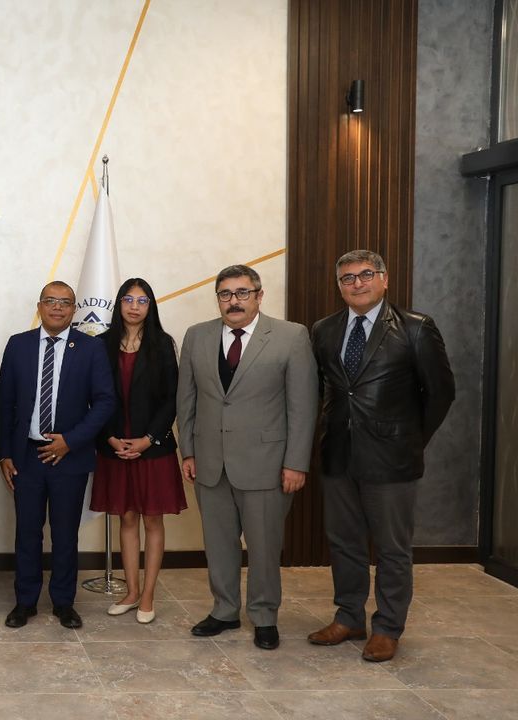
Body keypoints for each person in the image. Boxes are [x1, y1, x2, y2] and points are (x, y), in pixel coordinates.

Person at [307, 250, 454, 662]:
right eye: (347, 278)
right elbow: (321, 389)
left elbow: (441, 394)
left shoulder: (416, 328)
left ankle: (388, 627)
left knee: (392, 549)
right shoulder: (323, 330)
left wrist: (409, 440)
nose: (357, 283)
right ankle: (349, 617)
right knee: (344, 543)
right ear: (339, 286)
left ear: (384, 279)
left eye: (366, 274)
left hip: (392, 460)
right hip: (338, 455)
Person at [177, 264, 317, 650]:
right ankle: (224, 610)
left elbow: (303, 406)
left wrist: (296, 462)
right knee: (219, 544)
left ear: (259, 295)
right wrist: (188, 450)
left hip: (267, 464)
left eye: (242, 292)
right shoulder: (197, 336)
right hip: (210, 463)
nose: (234, 301)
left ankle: (264, 615)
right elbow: (186, 400)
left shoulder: (291, 336)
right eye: (225, 294)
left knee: (264, 547)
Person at [0, 281, 115, 630]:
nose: (58, 307)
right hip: (26, 457)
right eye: (50, 301)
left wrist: (71, 441)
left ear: (74, 310)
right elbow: (4, 403)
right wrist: (5, 453)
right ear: (39, 306)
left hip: (69, 457)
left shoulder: (91, 348)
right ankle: (25, 601)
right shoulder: (18, 345)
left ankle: (64, 602)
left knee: (65, 534)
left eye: (65, 302)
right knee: (27, 533)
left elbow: (105, 401)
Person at [90, 278, 188, 624]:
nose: (134, 306)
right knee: (127, 518)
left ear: (151, 306)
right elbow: (93, 397)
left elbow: (172, 399)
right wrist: (110, 438)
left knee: (152, 519)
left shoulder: (163, 344)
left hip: (153, 449)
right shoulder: (100, 345)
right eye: (128, 299)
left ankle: (148, 595)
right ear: (118, 304)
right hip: (114, 447)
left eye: (142, 300)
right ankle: (131, 592)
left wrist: (148, 439)